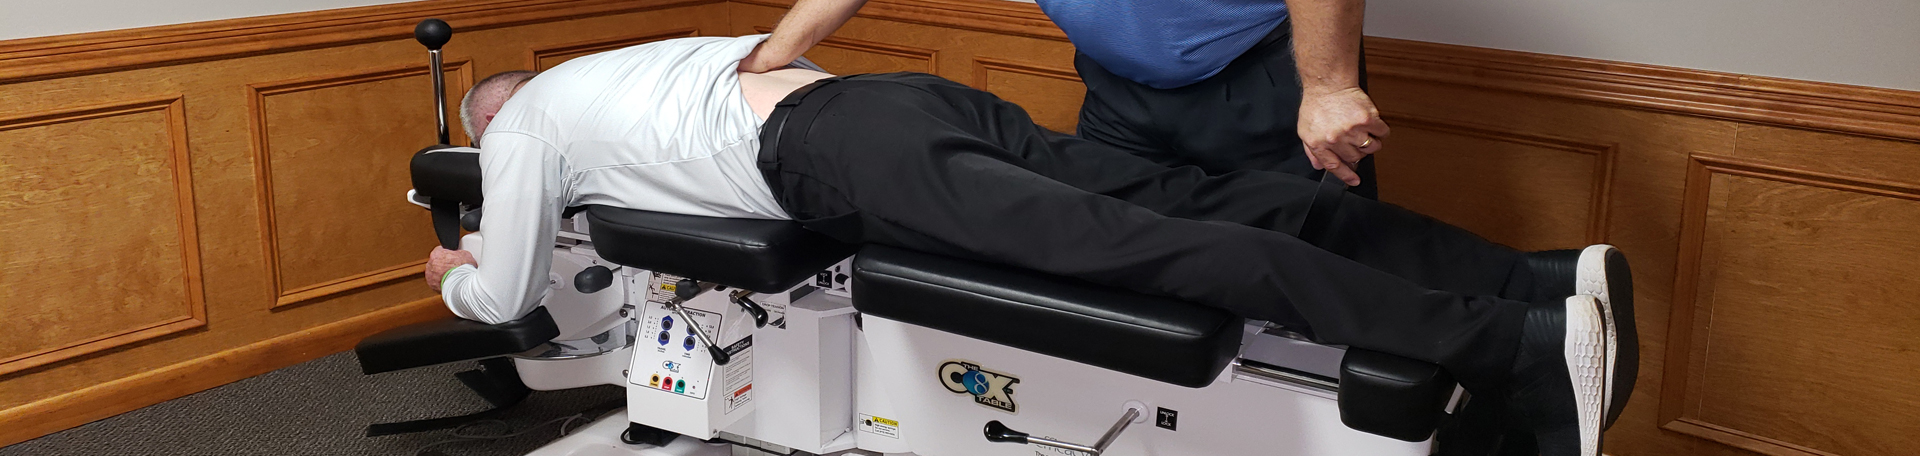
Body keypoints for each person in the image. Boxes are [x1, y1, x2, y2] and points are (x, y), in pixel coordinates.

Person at [423, 36, 1634, 456]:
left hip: (840, 154)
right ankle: (1521, 276)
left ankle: (1516, 346)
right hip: (897, 100)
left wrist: (458, 278)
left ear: (490, 118)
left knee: (1143, 247)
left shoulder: (522, 122)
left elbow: (513, 281)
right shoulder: (634, 67)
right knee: (1196, 197)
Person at [740, 0, 1389, 197]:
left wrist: (1329, 85)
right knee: (1123, 253)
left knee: (1310, 264)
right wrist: (772, 52)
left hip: (1264, 79)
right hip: (1116, 90)